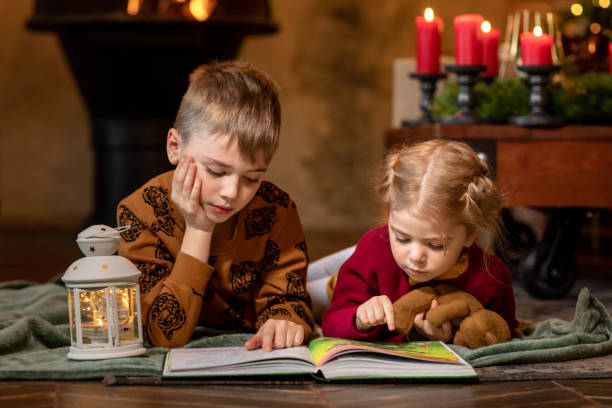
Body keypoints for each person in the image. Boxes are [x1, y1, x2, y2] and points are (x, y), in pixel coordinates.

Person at [116, 61, 314, 350]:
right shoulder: (140, 212)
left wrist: (282, 321)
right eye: (216, 172)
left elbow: (287, 299)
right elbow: (164, 336)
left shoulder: (276, 210)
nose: (231, 193)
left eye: (251, 177)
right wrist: (199, 229)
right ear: (175, 147)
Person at [321, 139, 518, 342]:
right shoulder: (374, 248)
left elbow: (501, 333)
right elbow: (332, 322)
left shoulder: (491, 277)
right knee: (299, 286)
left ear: (469, 235)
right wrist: (359, 319)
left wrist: (451, 337)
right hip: (334, 284)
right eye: (402, 238)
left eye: (435, 245)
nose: (416, 257)